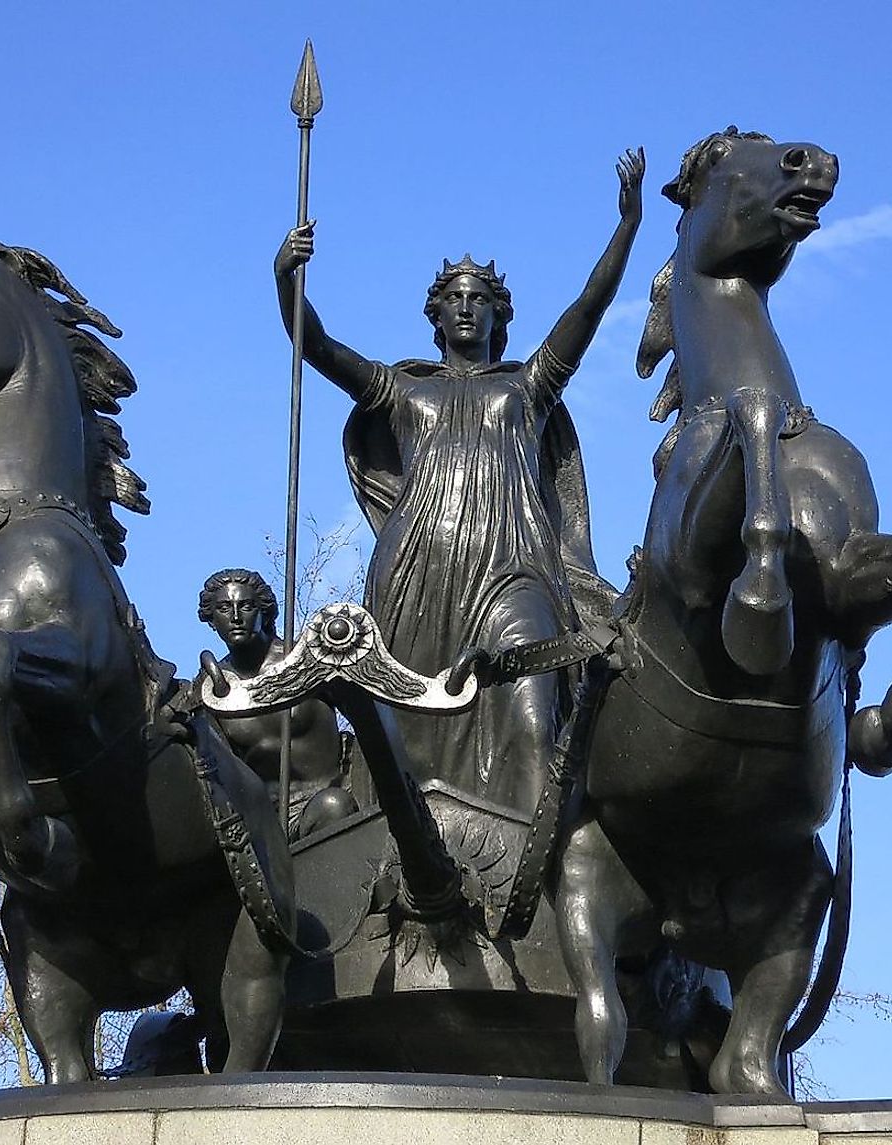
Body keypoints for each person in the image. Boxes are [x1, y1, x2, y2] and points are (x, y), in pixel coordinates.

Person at [273, 149, 644, 815]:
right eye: (455, 300)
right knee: (409, 740)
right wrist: (287, 283)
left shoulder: (529, 387)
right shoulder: (401, 388)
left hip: (514, 568)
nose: (467, 308)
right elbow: (317, 346)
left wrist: (628, 224)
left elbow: (590, 306)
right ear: (436, 316)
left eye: (479, 300)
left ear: (499, 316)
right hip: (418, 574)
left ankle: (532, 886)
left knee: (532, 716)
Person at [197, 568, 356, 837]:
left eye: (246, 606)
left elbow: (368, 716)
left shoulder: (308, 660)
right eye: (224, 609)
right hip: (265, 827)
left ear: (265, 611)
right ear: (212, 620)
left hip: (331, 799)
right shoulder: (212, 692)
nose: (236, 618)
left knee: (333, 806)